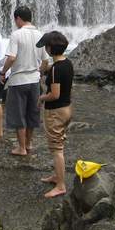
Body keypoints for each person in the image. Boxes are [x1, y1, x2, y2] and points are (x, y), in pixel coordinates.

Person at [0, 6, 49, 156]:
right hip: (34, 81)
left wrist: (3, 72)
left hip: (18, 81)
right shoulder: (40, 35)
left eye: (15, 20)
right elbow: (46, 61)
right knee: (32, 113)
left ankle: (21, 148)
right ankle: (28, 144)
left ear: (18, 18)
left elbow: (12, 57)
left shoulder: (17, 35)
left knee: (18, 114)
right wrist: (39, 73)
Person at [36, 31, 73, 198]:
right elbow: (51, 72)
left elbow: (54, 94)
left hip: (55, 111)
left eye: (46, 47)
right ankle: (57, 176)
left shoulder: (56, 69)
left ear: (50, 48)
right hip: (67, 109)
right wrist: (45, 69)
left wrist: (41, 98)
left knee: (56, 148)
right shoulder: (67, 63)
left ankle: (60, 185)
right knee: (60, 143)